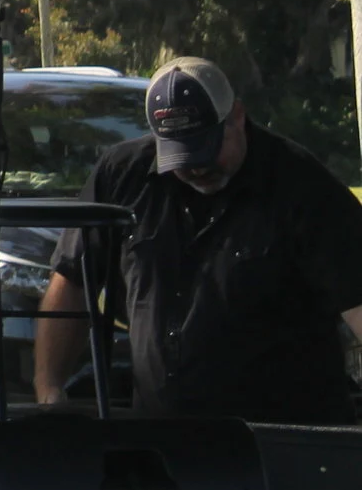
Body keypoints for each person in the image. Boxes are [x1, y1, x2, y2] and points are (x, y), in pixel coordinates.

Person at [35, 57, 362, 423]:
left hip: (280, 446)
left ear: (237, 117)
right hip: (163, 446)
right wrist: (50, 391)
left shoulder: (303, 189)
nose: (197, 168)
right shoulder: (122, 176)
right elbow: (72, 278)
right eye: (181, 155)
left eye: (206, 148)